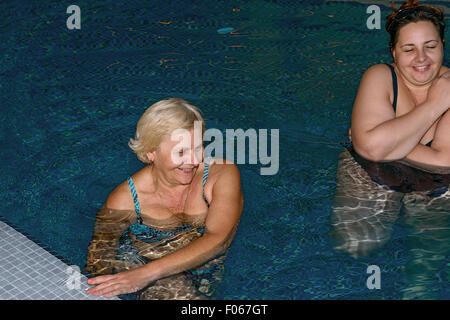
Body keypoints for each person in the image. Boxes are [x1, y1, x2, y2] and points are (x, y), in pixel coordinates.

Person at [330, 1, 450, 298]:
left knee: (425, 263)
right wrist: (437, 104)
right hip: (370, 173)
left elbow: (444, 163)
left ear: (443, 46)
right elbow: (370, 150)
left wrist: (378, 141)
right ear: (394, 53)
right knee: (356, 248)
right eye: (409, 49)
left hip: (437, 184)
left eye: (430, 46)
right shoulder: (380, 76)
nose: (421, 58)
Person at [84, 98, 243, 299]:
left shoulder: (219, 174)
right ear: (151, 152)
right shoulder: (126, 199)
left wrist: (147, 274)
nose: (194, 161)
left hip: (201, 268)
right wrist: (135, 275)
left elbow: (219, 239)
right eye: (181, 152)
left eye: (198, 148)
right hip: (147, 263)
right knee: (169, 287)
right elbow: (99, 256)